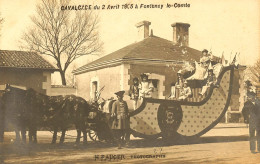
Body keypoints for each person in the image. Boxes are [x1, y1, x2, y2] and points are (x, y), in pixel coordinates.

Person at [242, 88, 260, 154]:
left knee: (259, 135)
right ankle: (252, 149)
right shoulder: (247, 103)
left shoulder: (259, 101)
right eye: (248, 97)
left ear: (254, 96)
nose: (249, 98)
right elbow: (243, 111)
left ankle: (259, 148)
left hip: (259, 121)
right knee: (252, 135)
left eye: (250, 96)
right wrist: (246, 119)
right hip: (252, 121)